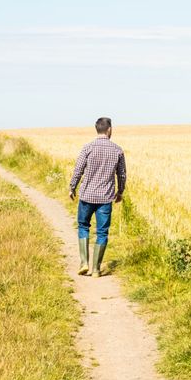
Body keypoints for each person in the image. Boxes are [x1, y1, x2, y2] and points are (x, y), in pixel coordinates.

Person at [69, 116, 126, 277]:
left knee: (83, 226)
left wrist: (72, 188)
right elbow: (121, 174)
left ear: (97, 129)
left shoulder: (88, 147)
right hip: (105, 198)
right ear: (109, 129)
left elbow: (78, 170)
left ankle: (84, 262)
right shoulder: (117, 150)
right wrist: (120, 192)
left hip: (87, 196)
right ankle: (96, 269)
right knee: (102, 232)